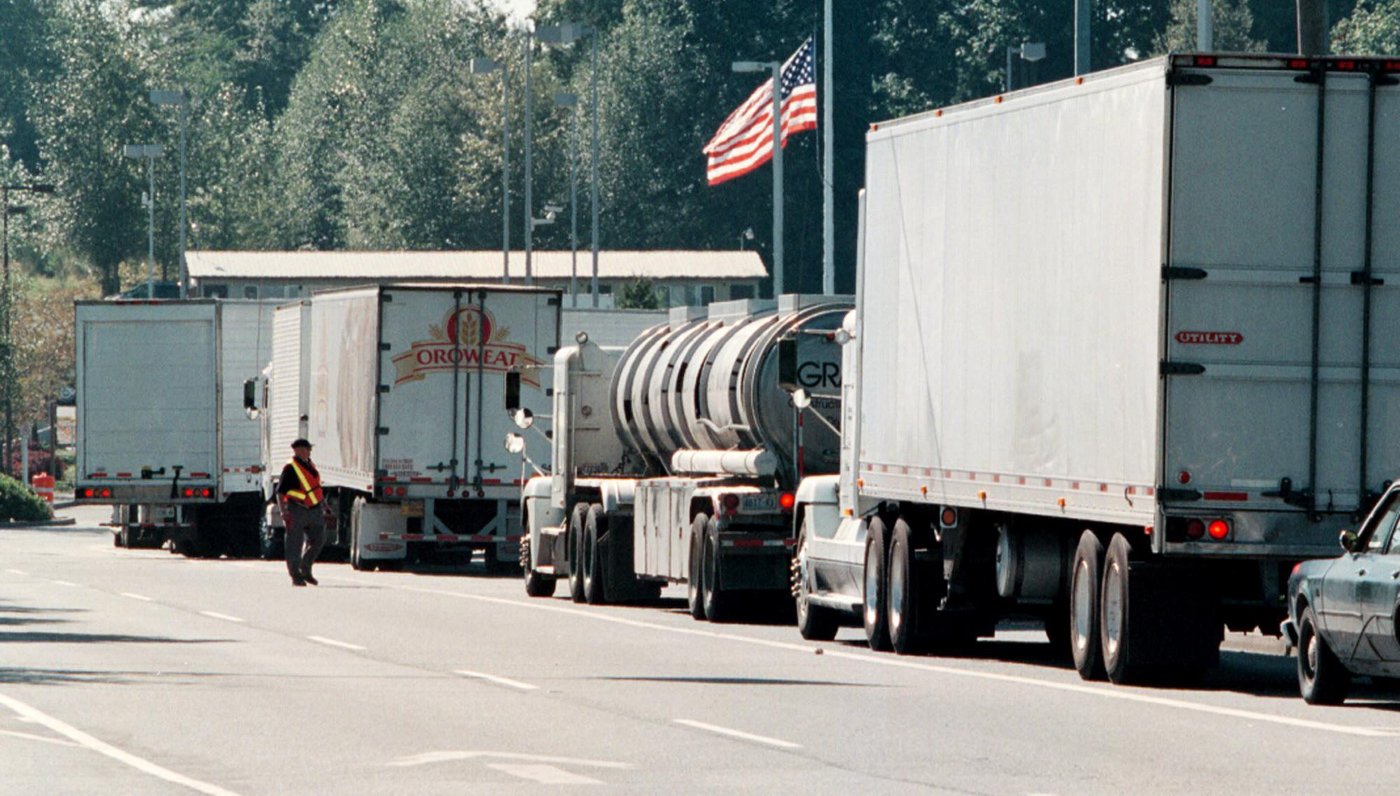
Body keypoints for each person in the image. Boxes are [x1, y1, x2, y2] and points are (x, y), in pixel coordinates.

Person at [277, 438, 327, 587]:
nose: (310, 451)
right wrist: (283, 511)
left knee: (319, 539)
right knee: (294, 544)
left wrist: (323, 504)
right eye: (307, 448)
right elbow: (280, 492)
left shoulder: (309, 464)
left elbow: (315, 487)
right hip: (296, 510)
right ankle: (295, 576)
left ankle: (305, 569)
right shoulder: (290, 468)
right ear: (298, 450)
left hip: (314, 509)